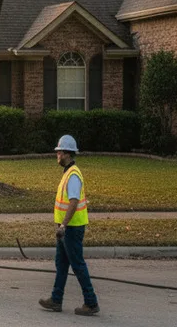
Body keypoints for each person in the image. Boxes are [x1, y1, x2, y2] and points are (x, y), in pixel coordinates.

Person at [39, 134, 100, 316]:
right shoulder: (68, 173)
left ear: (66, 153)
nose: (57, 155)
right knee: (62, 264)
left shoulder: (73, 175)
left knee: (78, 265)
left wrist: (63, 225)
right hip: (65, 228)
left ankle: (91, 302)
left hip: (71, 228)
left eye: (59, 152)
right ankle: (56, 300)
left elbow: (73, 202)